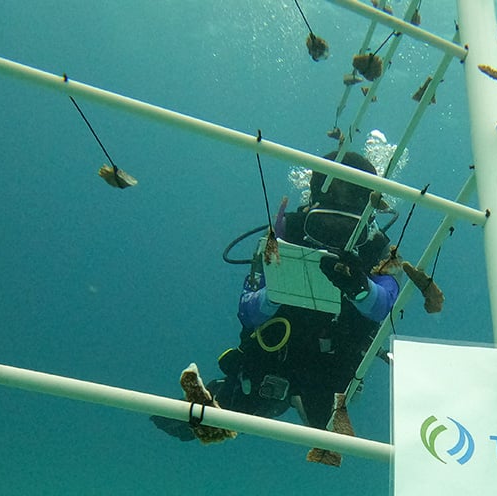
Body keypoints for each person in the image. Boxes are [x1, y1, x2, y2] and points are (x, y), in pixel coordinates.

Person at [153, 151, 399, 441]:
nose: (332, 238)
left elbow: (386, 305)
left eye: (346, 230)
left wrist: (361, 289)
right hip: (277, 352)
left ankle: (304, 409)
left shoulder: (376, 248)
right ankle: (212, 405)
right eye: (322, 226)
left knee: (327, 438)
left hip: (334, 362)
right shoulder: (286, 233)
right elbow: (247, 311)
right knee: (225, 408)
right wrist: (277, 292)